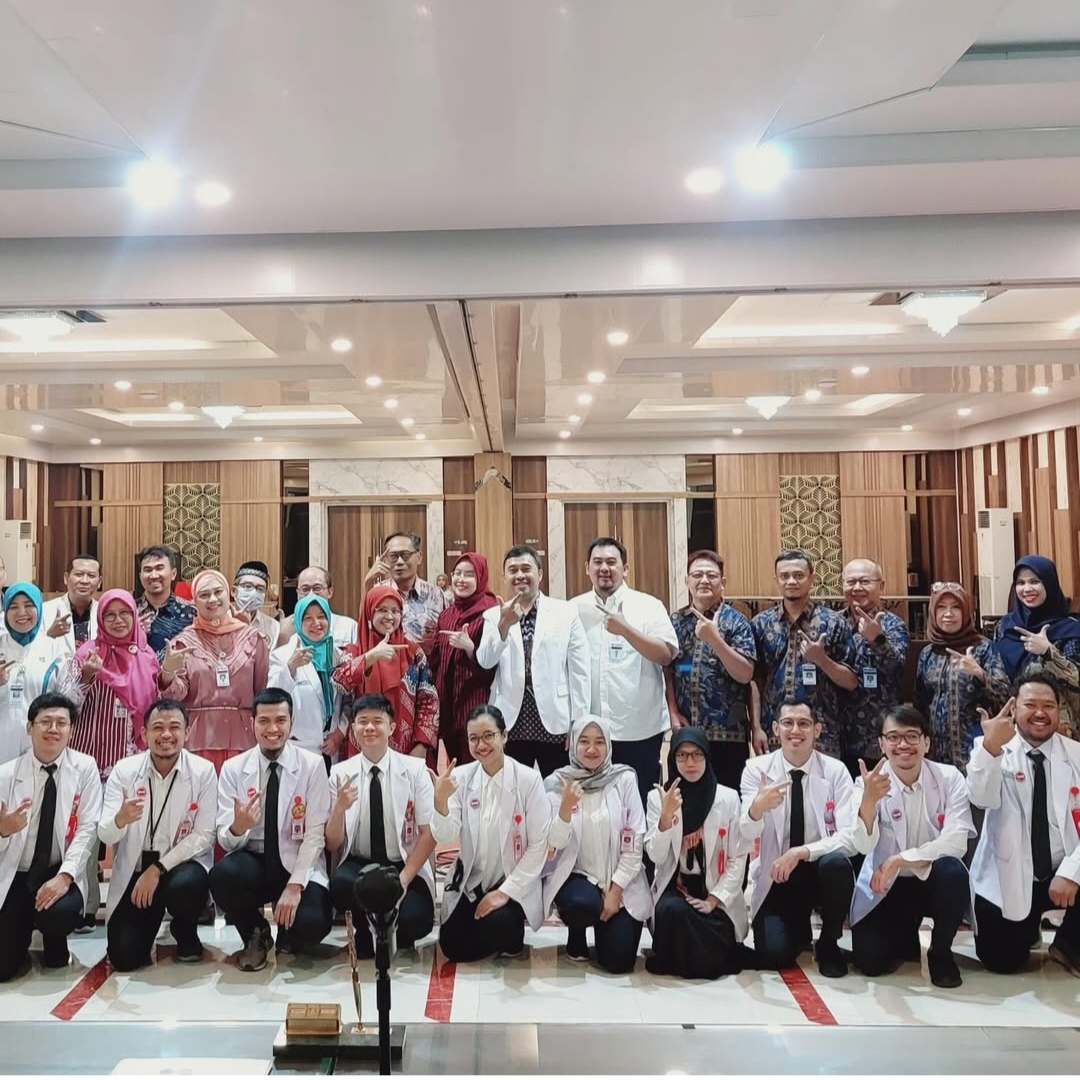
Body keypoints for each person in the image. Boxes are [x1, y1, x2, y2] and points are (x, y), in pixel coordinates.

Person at [849, 705, 974, 988]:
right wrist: (868, 801)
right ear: (881, 744)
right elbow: (862, 844)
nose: (903, 744)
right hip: (885, 885)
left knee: (953, 872)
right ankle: (905, 931)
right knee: (871, 963)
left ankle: (941, 952)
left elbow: (957, 842)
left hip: (930, 880)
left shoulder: (949, 778)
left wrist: (900, 859)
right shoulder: (867, 784)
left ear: (926, 743)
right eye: (893, 737)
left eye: (912, 736)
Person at [210, 688, 333, 972]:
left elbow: (315, 834)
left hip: (297, 860)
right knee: (222, 877)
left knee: (311, 926)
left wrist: (295, 885)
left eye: (280, 720)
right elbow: (225, 839)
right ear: (252, 722)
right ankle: (256, 933)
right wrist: (239, 826)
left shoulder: (312, 765)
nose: (273, 729)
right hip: (255, 859)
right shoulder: (233, 768)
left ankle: (290, 933)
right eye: (264, 721)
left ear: (292, 722)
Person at [969, 675, 1080, 975]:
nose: (1040, 713)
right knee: (1002, 961)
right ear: (1014, 708)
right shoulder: (991, 747)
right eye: (1030, 705)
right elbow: (980, 798)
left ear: (1060, 710)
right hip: (1009, 872)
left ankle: (1069, 944)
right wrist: (991, 749)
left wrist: (1072, 872)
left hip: (1061, 866)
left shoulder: (1076, 755)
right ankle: (1027, 928)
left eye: (1048, 706)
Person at [739, 699, 859, 977]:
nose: (795, 730)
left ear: (817, 730)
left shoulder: (835, 771)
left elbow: (850, 837)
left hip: (818, 869)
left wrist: (801, 852)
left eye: (804, 723)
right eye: (788, 723)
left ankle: (829, 942)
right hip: (777, 874)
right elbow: (745, 834)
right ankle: (798, 926)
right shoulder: (756, 769)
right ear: (775, 729)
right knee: (774, 956)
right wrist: (756, 809)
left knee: (838, 865)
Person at [98, 698, 217, 970]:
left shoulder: (203, 771)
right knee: (124, 958)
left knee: (187, 885)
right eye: (158, 728)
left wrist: (158, 869)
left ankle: (185, 930)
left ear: (187, 732)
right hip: (136, 870)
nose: (166, 735)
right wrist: (120, 819)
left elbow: (205, 835)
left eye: (174, 727)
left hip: (179, 869)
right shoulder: (124, 771)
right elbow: (105, 834)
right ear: (144, 733)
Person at [431, 705, 551, 962]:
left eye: (488, 736)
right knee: (451, 946)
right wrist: (440, 802)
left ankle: (510, 930)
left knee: (500, 924)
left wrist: (503, 893)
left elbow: (538, 846)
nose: (481, 745)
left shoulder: (528, 780)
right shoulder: (461, 778)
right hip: (473, 882)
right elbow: (445, 836)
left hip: (511, 881)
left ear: (504, 736)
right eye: (474, 738)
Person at [0, 693, 102, 981]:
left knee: (59, 915)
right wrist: (3, 831)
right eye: (45, 722)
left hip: (59, 868)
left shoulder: (85, 768)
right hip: (17, 872)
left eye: (61, 723)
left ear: (72, 730)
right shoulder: (6, 775)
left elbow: (87, 829)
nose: (53, 729)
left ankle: (54, 936)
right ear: (29, 727)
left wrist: (65, 877)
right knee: (3, 968)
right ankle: (22, 931)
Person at [326, 694, 437, 956]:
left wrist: (404, 880)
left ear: (392, 728)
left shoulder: (415, 770)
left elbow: (428, 834)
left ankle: (394, 931)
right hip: (360, 863)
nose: (369, 728)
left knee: (417, 919)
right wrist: (339, 809)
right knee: (341, 886)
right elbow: (333, 843)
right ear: (353, 729)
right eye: (362, 721)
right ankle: (367, 932)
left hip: (402, 863)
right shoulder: (340, 773)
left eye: (377, 721)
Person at [572, 537, 679, 806]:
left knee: (639, 804)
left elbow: (666, 654)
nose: (604, 568)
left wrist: (626, 630)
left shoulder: (648, 605)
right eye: (597, 562)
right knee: (594, 806)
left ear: (626, 568)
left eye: (611, 562)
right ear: (587, 568)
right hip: (591, 730)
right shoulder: (573, 609)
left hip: (639, 728)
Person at [542, 715, 650, 973]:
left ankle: (606, 928)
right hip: (579, 878)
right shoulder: (557, 783)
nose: (592, 749)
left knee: (618, 962)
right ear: (573, 745)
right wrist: (565, 810)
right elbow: (553, 843)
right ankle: (577, 932)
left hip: (621, 882)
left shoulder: (623, 779)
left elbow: (635, 840)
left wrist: (616, 890)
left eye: (599, 742)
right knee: (580, 904)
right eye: (584, 741)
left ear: (609, 745)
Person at [644, 727, 750, 979]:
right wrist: (665, 818)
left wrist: (713, 899)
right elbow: (656, 857)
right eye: (682, 755)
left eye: (697, 755)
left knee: (715, 921)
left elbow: (738, 859)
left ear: (707, 757)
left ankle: (694, 956)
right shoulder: (659, 798)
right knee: (673, 912)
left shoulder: (727, 798)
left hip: (714, 890)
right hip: (677, 889)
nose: (690, 763)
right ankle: (706, 956)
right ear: (672, 759)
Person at [477, 545, 591, 778]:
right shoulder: (493, 615)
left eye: (526, 569)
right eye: (513, 570)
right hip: (512, 720)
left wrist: (579, 722)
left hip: (555, 719)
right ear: (504, 577)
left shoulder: (566, 612)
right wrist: (503, 625)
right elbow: (485, 661)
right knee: (513, 789)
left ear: (539, 573)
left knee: (559, 789)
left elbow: (580, 671)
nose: (520, 575)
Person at [667, 550, 762, 792]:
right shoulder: (675, 621)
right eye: (697, 575)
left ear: (723, 581)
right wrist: (673, 712)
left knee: (728, 802)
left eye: (711, 575)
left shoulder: (737, 622)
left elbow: (746, 674)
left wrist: (715, 639)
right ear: (687, 581)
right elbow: (667, 671)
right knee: (685, 803)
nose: (704, 580)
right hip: (686, 734)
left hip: (728, 737)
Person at [161, 569, 270, 773]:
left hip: (244, 737)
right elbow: (177, 696)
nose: (212, 599)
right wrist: (167, 673)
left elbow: (261, 691)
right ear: (195, 602)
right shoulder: (184, 642)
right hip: (199, 739)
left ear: (229, 594)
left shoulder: (253, 638)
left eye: (218, 592)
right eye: (204, 595)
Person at [751, 550, 857, 759]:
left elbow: (851, 681)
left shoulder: (834, 623)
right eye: (784, 576)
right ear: (776, 579)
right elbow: (755, 680)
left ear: (812, 578)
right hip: (774, 731)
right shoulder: (761, 624)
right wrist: (756, 727)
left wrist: (822, 660)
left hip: (823, 733)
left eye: (798, 575)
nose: (791, 581)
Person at [332, 585, 439, 761]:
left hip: (407, 752)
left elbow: (429, 702)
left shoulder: (413, 653)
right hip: (360, 749)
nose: (389, 616)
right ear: (369, 613)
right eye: (382, 610)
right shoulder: (353, 652)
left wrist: (421, 745)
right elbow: (339, 682)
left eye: (395, 611)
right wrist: (371, 657)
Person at [64, 590, 161, 782]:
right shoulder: (87, 653)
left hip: (131, 759)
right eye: (110, 615)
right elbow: (66, 705)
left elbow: (154, 708)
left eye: (124, 613)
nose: (118, 620)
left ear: (134, 615)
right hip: (89, 757)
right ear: (100, 618)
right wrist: (86, 677)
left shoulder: (146, 656)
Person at [915, 583, 1010, 770]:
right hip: (936, 756)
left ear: (966, 612)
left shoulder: (983, 649)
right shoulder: (928, 653)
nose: (948, 614)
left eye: (956, 607)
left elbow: (1006, 696)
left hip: (977, 751)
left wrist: (980, 674)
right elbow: (920, 704)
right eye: (941, 607)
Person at [993, 556, 1080, 736]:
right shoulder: (1005, 627)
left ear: (1049, 583)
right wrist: (979, 674)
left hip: (1058, 729)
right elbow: (999, 680)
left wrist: (1049, 652)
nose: (1027, 589)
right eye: (1021, 583)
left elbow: (1077, 680)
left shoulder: (1071, 630)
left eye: (1034, 581)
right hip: (1013, 727)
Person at [839, 559, 910, 777]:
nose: (857, 588)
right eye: (851, 582)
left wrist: (877, 640)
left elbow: (897, 665)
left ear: (882, 586)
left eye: (864, 581)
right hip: (839, 735)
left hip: (879, 736)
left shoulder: (893, 625)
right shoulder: (833, 623)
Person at [429, 553, 498, 764]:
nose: (461, 579)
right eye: (457, 573)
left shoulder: (491, 613)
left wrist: (470, 649)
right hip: (448, 709)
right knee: (457, 772)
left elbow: (494, 666)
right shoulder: (446, 615)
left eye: (469, 574)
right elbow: (437, 660)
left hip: (476, 706)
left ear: (481, 578)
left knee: (479, 768)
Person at [269, 595, 347, 760]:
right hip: (297, 747)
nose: (316, 623)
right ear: (298, 622)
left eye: (321, 616)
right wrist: (290, 668)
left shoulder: (338, 656)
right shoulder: (282, 656)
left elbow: (347, 700)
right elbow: (272, 697)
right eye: (308, 618)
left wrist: (340, 733)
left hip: (331, 747)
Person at [0, 584, 66, 765]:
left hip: (41, 740)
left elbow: (68, 698)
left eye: (29, 605)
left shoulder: (54, 648)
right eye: (13, 607)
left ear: (39, 607)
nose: (22, 612)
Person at [364, 532, 445, 654]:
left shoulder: (436, 594)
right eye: (393, 556)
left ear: (419, 557)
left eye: (405, 555)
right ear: (385, 560)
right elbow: (365, 632)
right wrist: (367, 583)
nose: (400, 562)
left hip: (429, 664)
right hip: (387, 663)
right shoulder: (377, 592)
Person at [277, 567, 359, 649]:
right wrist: (282, 638)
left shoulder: (349, 627)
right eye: (305, 589)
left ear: (330, 592)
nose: (311, 595)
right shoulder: (286, 629)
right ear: (297, 594)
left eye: (317, 588)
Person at [135, 545, 195, 655]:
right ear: (140, 576)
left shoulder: (191, 612)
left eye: (159, 568)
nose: (153, 575)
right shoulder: (129, 611)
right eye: (148, 570)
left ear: (173, 574)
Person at [42, 555, 101, 654]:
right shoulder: (45, 611)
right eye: (79, 574)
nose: (84, 581)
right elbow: (34, 653)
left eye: (91, 576)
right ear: (66, 578)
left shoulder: (105, 613)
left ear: (99, 582)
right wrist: (50, 636)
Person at [232, 561, 281, 650]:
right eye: (247, 586)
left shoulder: (275, 627)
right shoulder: (219, 624)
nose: (253, 593)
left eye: (260, 589)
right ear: (233, 591)